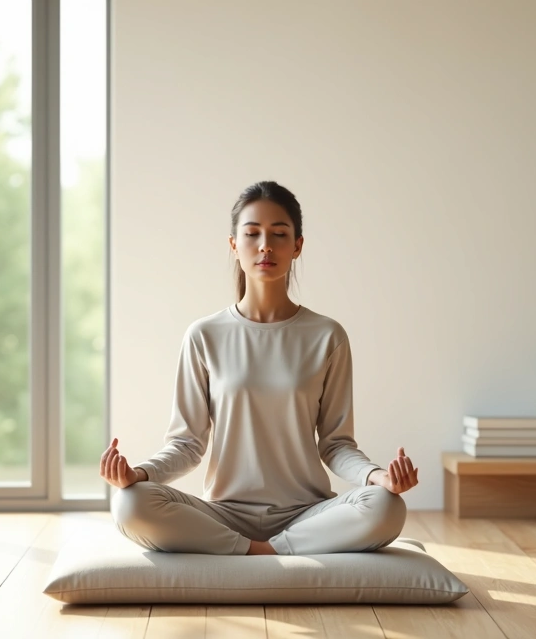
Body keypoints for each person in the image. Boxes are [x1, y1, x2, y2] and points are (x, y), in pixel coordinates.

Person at [101, 180, 419, 556]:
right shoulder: (204, 335)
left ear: (297, 245)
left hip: (308, 513)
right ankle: (263, 550)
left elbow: (335, 445)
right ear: (234, 245)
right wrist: (137, 475)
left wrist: (379, 477)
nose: (265, 245)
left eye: (279, 234)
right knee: (129, 503)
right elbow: (187, 445)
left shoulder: (327, 336)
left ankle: (258, 552)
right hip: (225, 513)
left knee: (386, 506)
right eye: (252, 234)